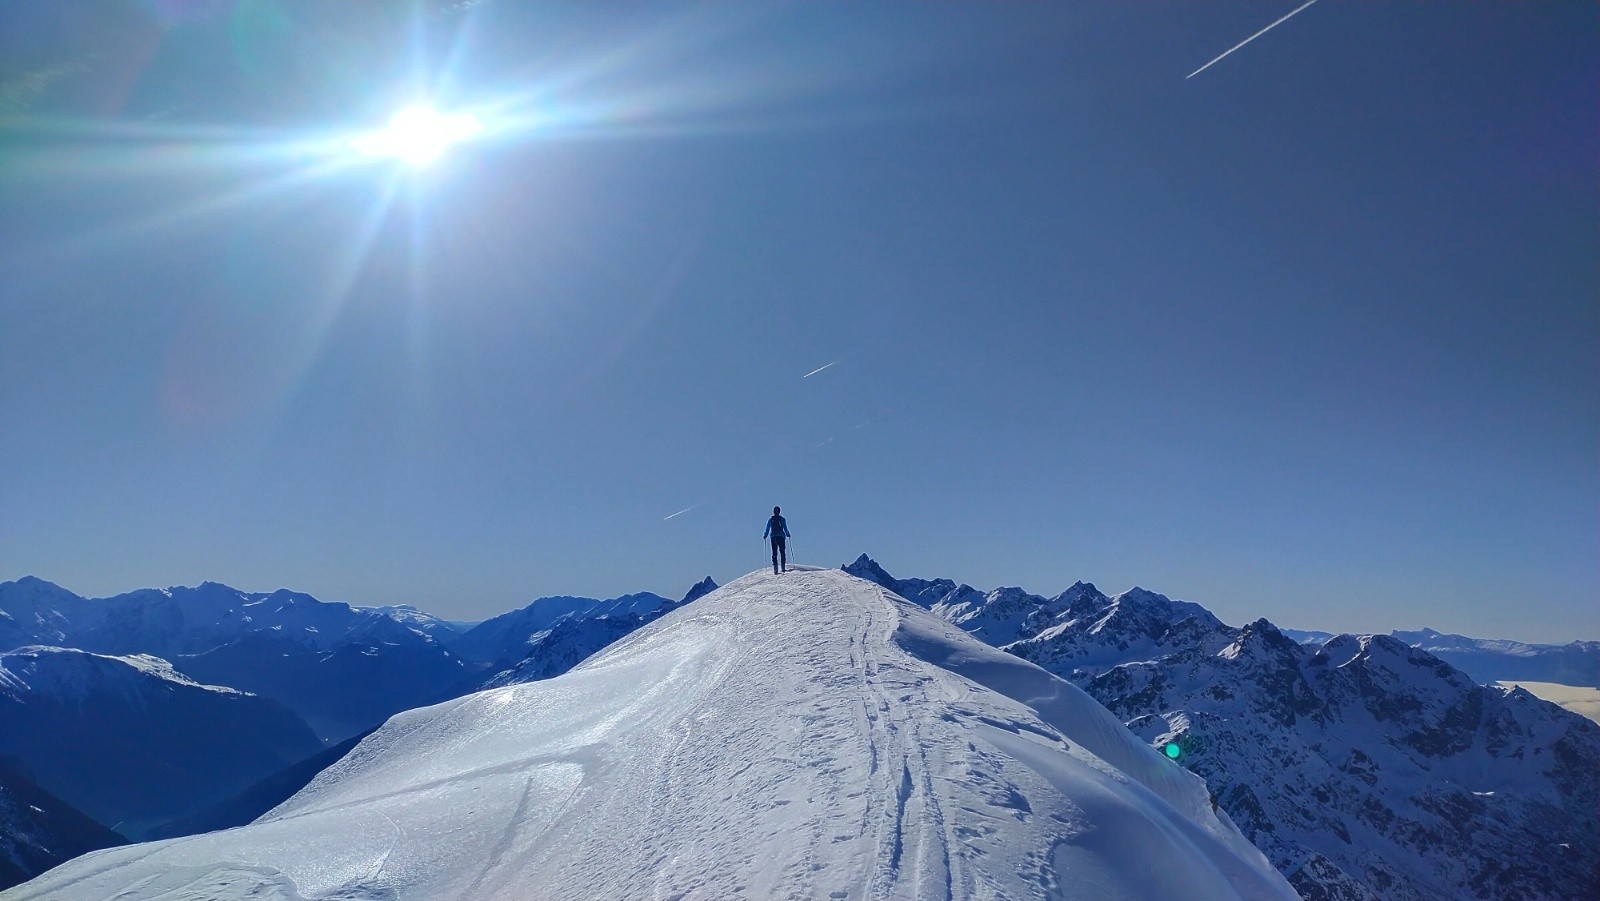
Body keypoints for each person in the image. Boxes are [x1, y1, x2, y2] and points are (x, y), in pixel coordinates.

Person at [763, 506, 790, 574]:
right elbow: (785, 527)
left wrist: (765, 535)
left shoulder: (771, 519)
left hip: (773, 537)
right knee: (782, 551)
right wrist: (787, 534)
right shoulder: (782, 519)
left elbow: (767, 528)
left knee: (774, 552)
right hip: (781, 536)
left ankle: (775, 569)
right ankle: (783, 568)